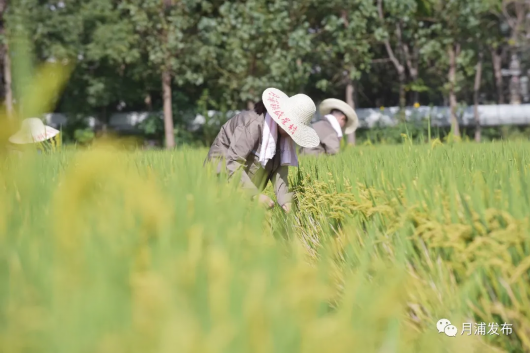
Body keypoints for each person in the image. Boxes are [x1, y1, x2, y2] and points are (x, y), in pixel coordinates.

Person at [205, 87, 320, 212]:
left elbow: (280, 169)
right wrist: (254, 195)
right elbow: (233, 162)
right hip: (220, 179)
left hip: (244, 184)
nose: (293, 133)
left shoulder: (283, 138)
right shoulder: (253, 124)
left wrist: (285, 200)